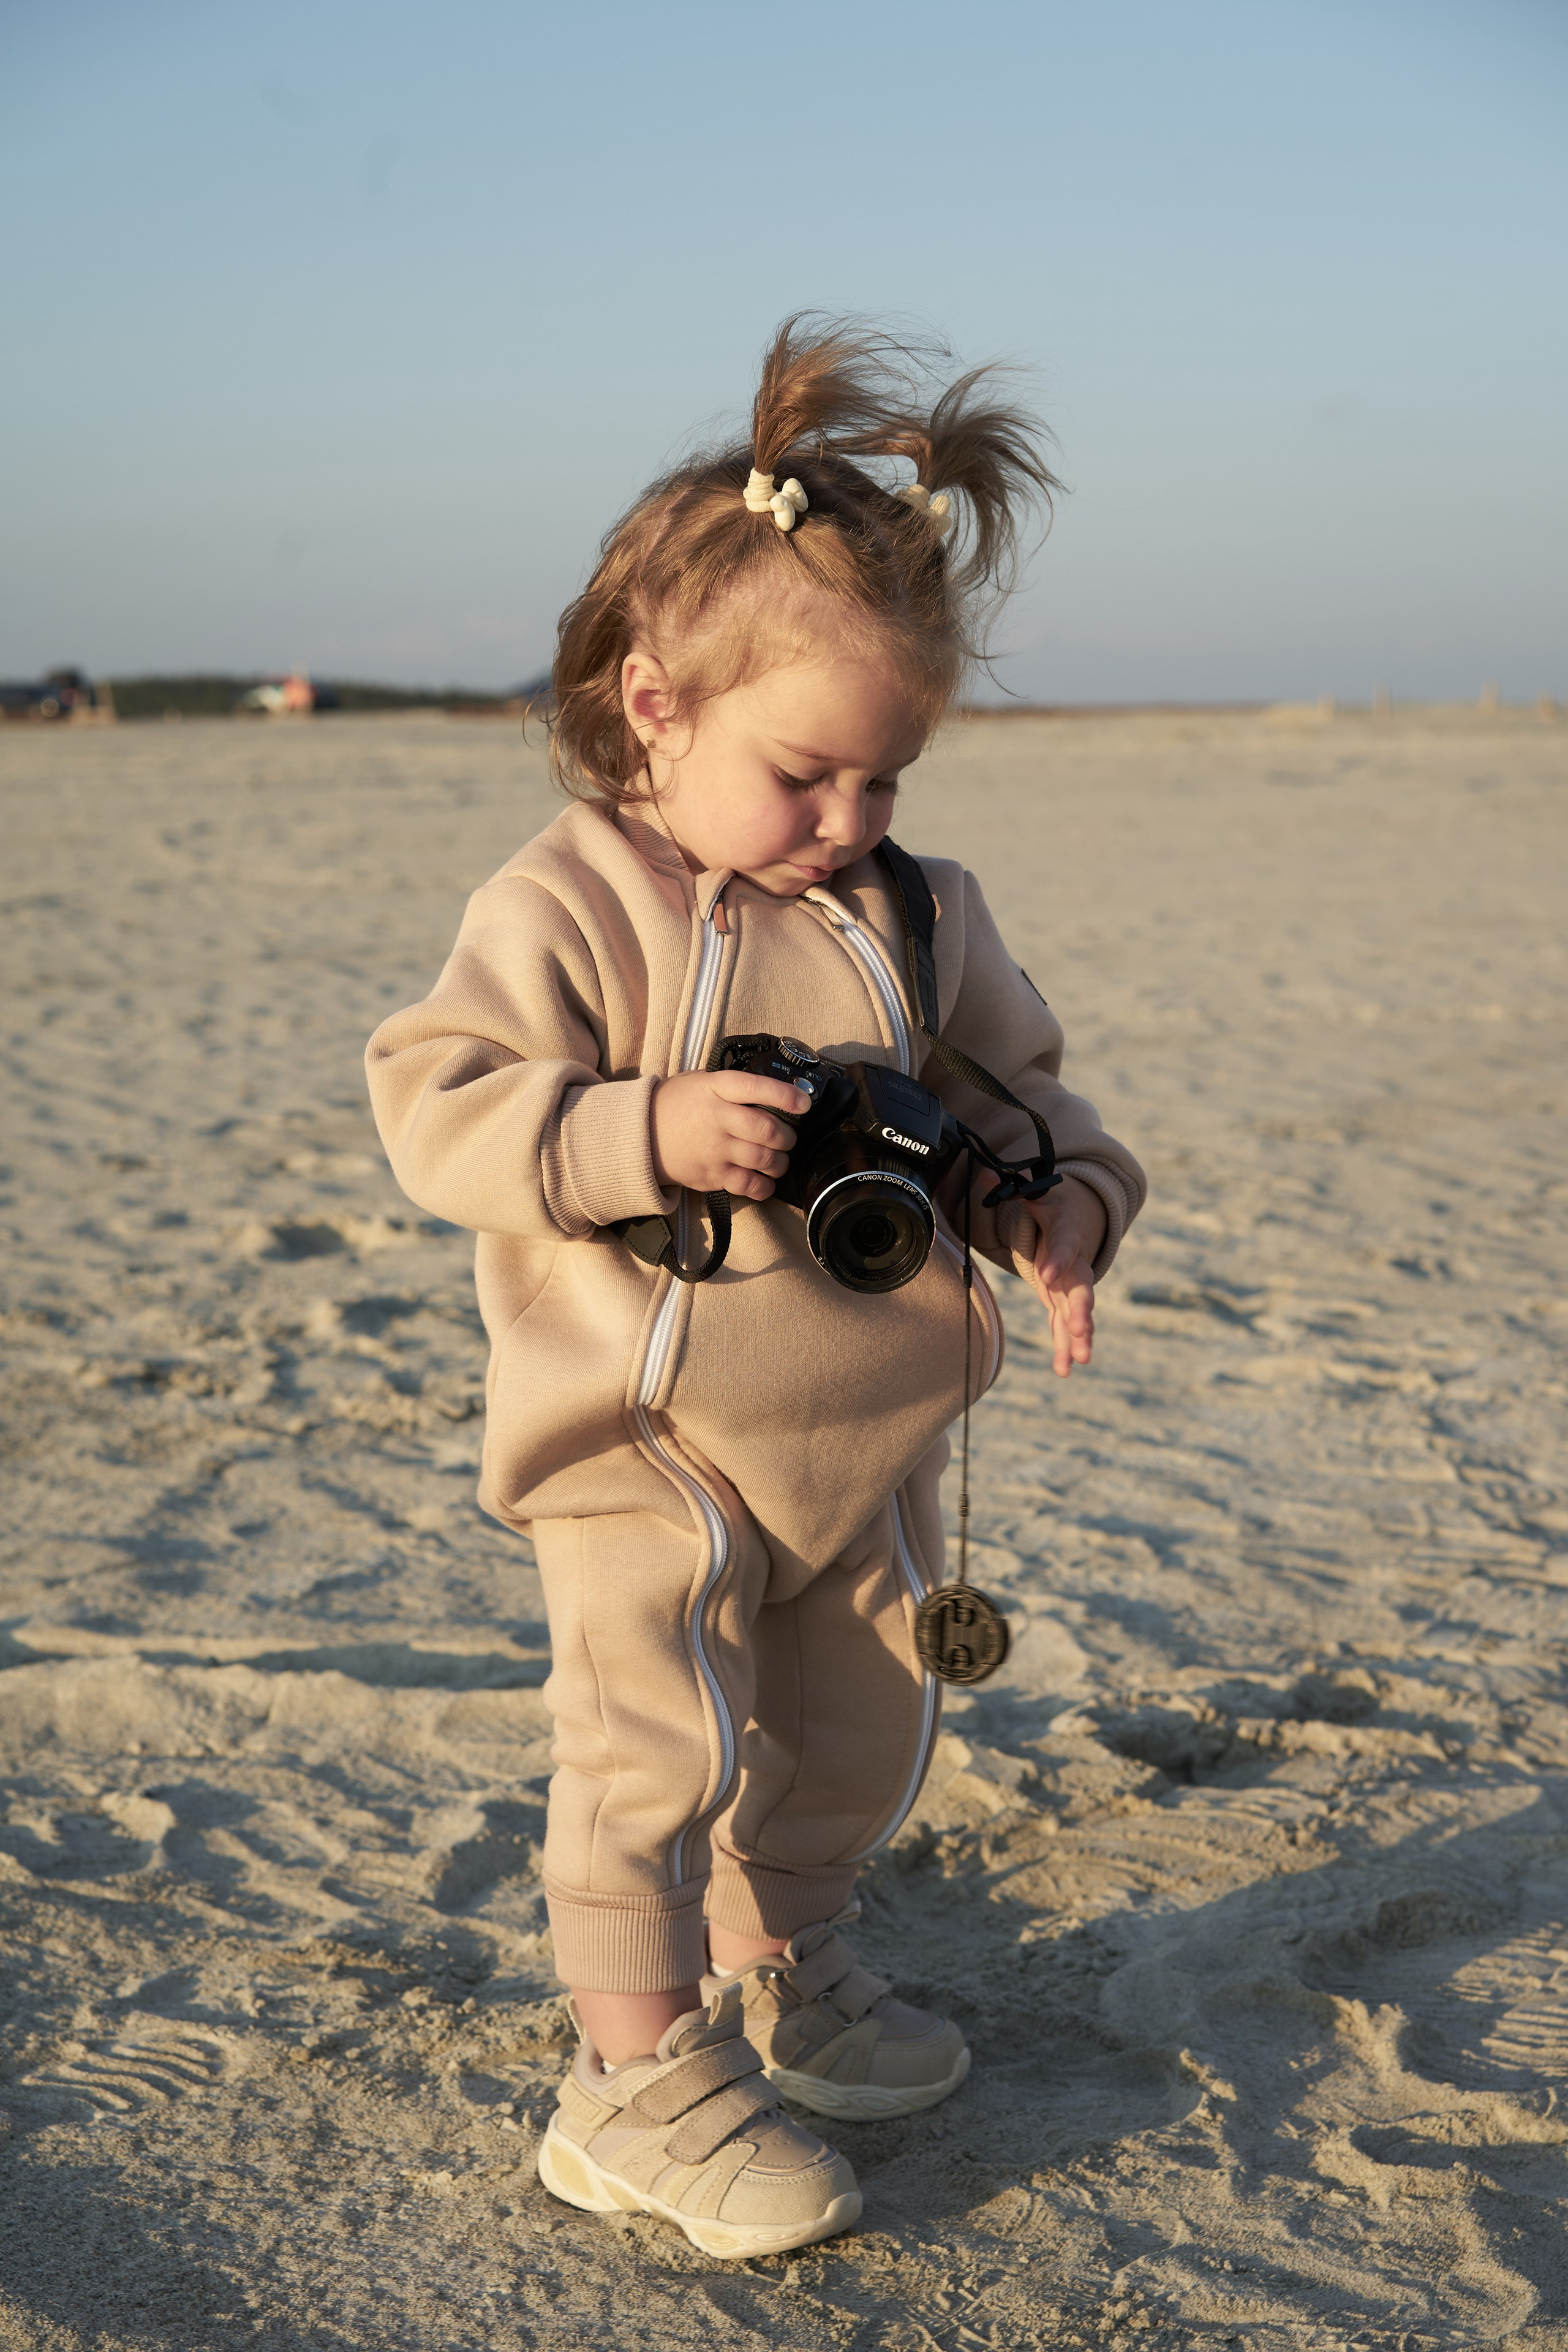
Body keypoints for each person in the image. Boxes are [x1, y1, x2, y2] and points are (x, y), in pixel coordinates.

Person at [366, 317, 1146, 2259]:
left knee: (853, 1731)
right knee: (656, 1744)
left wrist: (1062, 1204)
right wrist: (632, 1135)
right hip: (646, 1437)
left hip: (867, 1430)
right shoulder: (566, 905)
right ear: (656, 707)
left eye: (888, 778)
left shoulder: (917, 912)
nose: (850, 823)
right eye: (807, 776)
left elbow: (1020, 1090)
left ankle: (789, 1966)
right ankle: (628, 2077)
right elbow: (437, 1103)